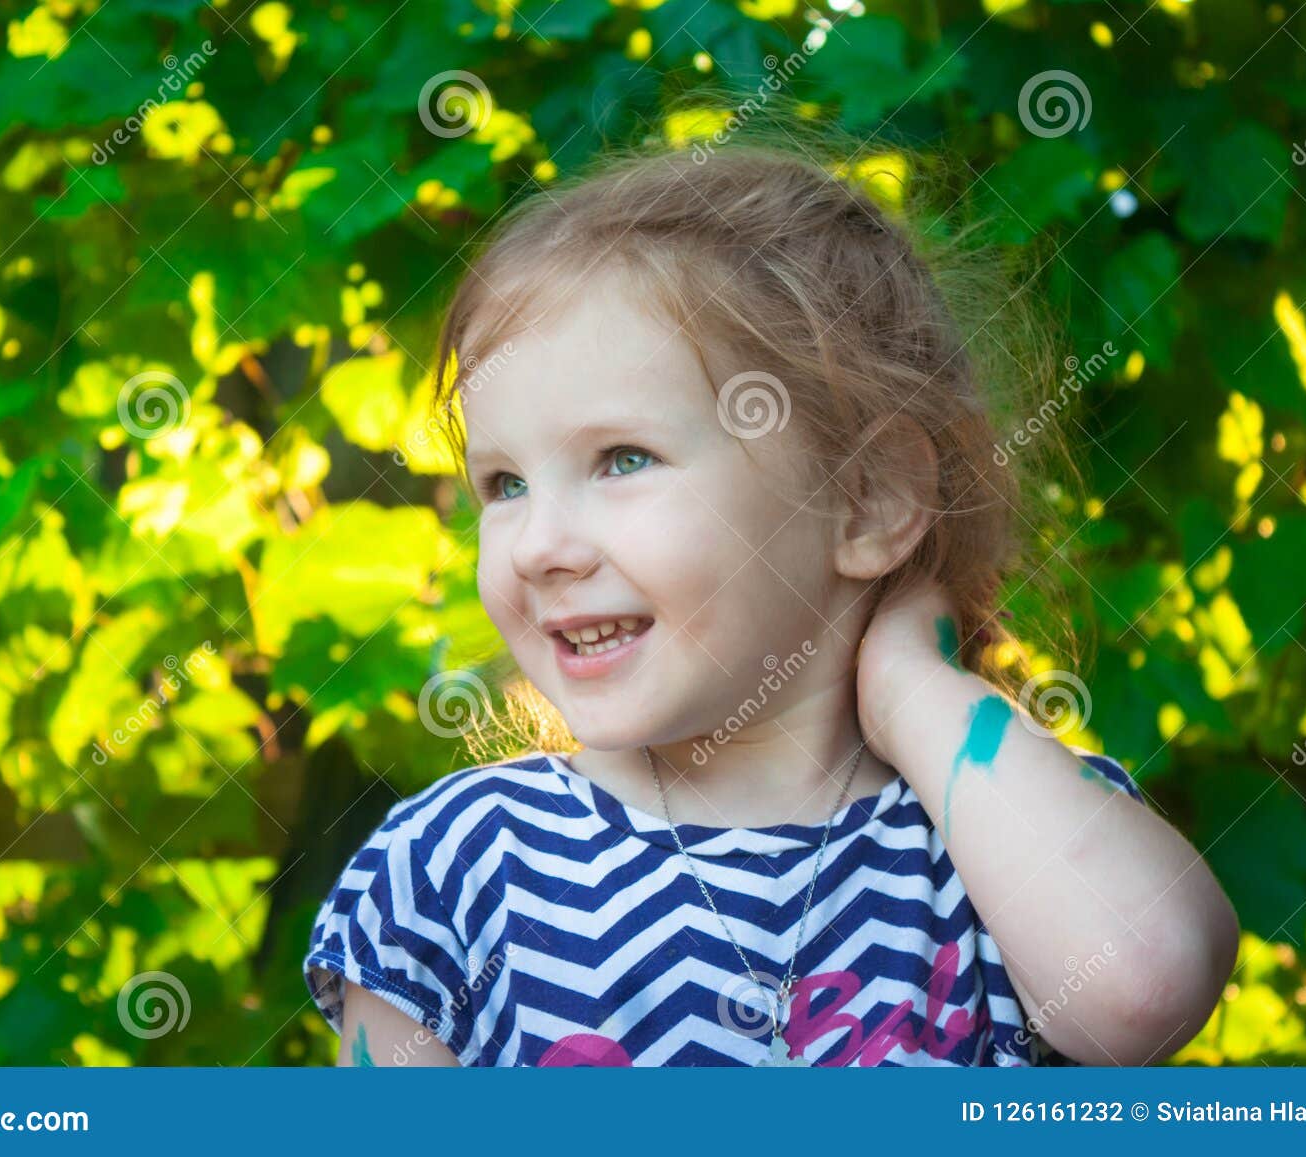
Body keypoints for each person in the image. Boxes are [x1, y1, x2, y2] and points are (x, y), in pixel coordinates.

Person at [303, 127, 1239, 1067]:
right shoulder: (455, 869)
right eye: (503, 484)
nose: (537, 545)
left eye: (623, 459)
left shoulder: (1004, 846)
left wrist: (913, 685)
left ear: (867, 499)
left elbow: (1146, 987)